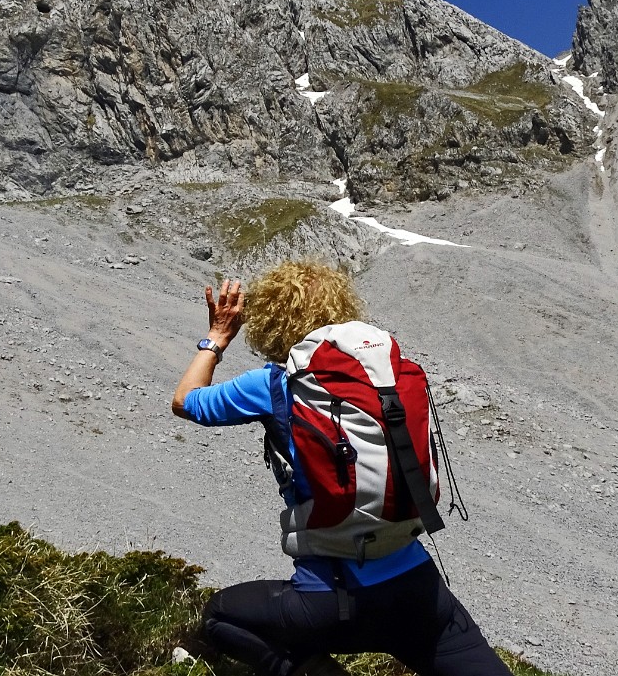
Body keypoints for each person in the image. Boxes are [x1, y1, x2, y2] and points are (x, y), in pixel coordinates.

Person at [171, 261, 511, 676]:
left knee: (221, 616)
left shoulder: (275, 385)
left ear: (271, 322)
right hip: (419, 591)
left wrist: (217, 338)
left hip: (329, 600)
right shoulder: (389, 379)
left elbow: (185, 400)